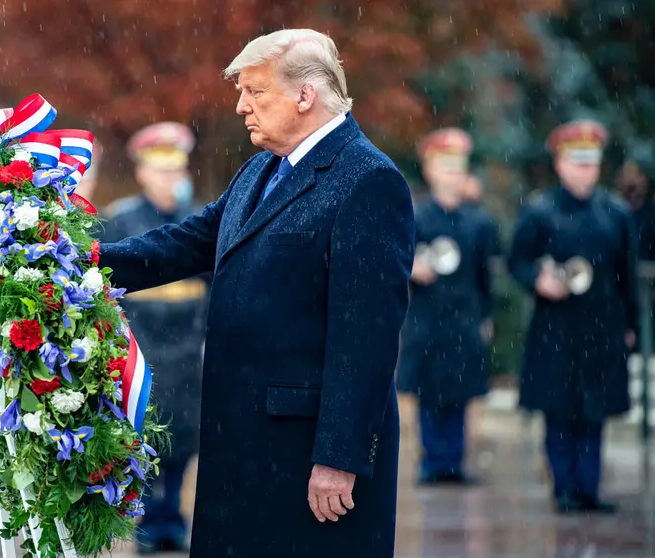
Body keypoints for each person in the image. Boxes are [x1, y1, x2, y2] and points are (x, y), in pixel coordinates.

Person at [99, 29, 415, 557]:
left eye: (255, 91)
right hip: (241, 440)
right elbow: (186, 242)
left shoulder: (368, 180)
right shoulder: (262, 168)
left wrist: (340, 457)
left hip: (305, 453)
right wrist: (73, 262)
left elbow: (368, 339)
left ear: (304, 95)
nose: (243, 106)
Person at [508, 119, 637, 514]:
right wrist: (538, 280)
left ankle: (588, 489)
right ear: (561, 164)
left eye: (591, 162)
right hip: (556, 329)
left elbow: (627, 275)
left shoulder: (616, 213)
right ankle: (563, 487)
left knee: (594, 414)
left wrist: (631, 326)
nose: (585, 169)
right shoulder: (539, 211)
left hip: (601, 329)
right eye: (577, 162)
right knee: (559, 411)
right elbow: (517, 261)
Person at [99, 123, 207, 554]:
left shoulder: (199, 218)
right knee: (142, 433)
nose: (168, 179)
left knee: (184, 435)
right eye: (159, 171)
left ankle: (172, 515)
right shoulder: (120, 221)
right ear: (142, 173)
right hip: (141, 348)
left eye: (174, 170)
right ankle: (145, 516)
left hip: (188, 347)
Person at [396, 128, 496, 485]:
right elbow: (395, 262)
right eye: (444, 166)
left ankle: (453, 461)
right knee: (429, 392)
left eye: (457, 167)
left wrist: (486, 315)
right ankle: (431, 461)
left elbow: (486, 275)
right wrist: (411, 269)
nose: (452, 174)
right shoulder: (415, 217)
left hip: (464, 318)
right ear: (430, 171)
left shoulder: (479, 223)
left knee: (460, 391)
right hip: (426, 319)